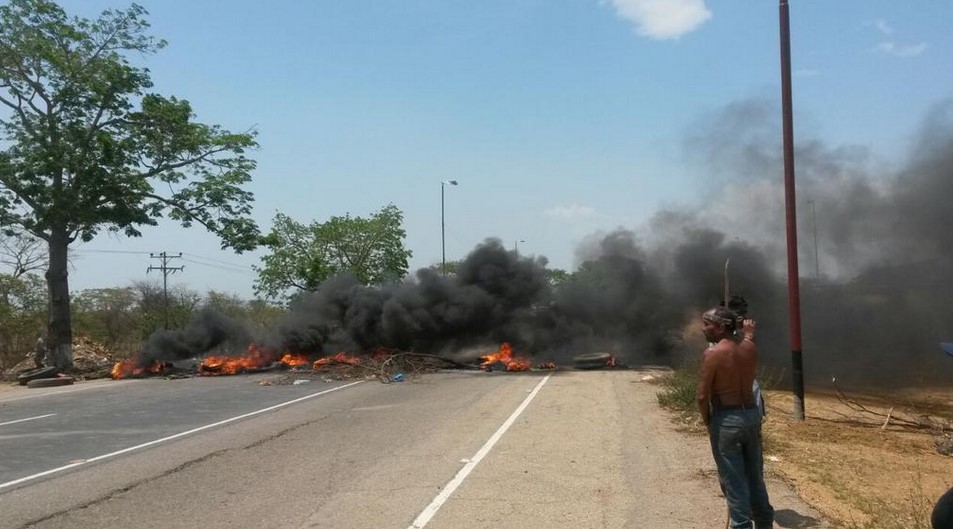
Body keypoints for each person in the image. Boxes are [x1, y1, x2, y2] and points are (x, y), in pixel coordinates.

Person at [697, 306, 774, 529]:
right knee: (755, 477)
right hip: (751, 415)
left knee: (734, 481)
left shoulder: (712, 354)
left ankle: (741, 525)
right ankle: (764, 524)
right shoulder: (750, 348)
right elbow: (746, 340)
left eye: (707, 324)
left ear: (720, 327)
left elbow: (702, 396)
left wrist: (708, 421)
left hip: (727, 420)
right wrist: (748, 333)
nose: (703, 329)